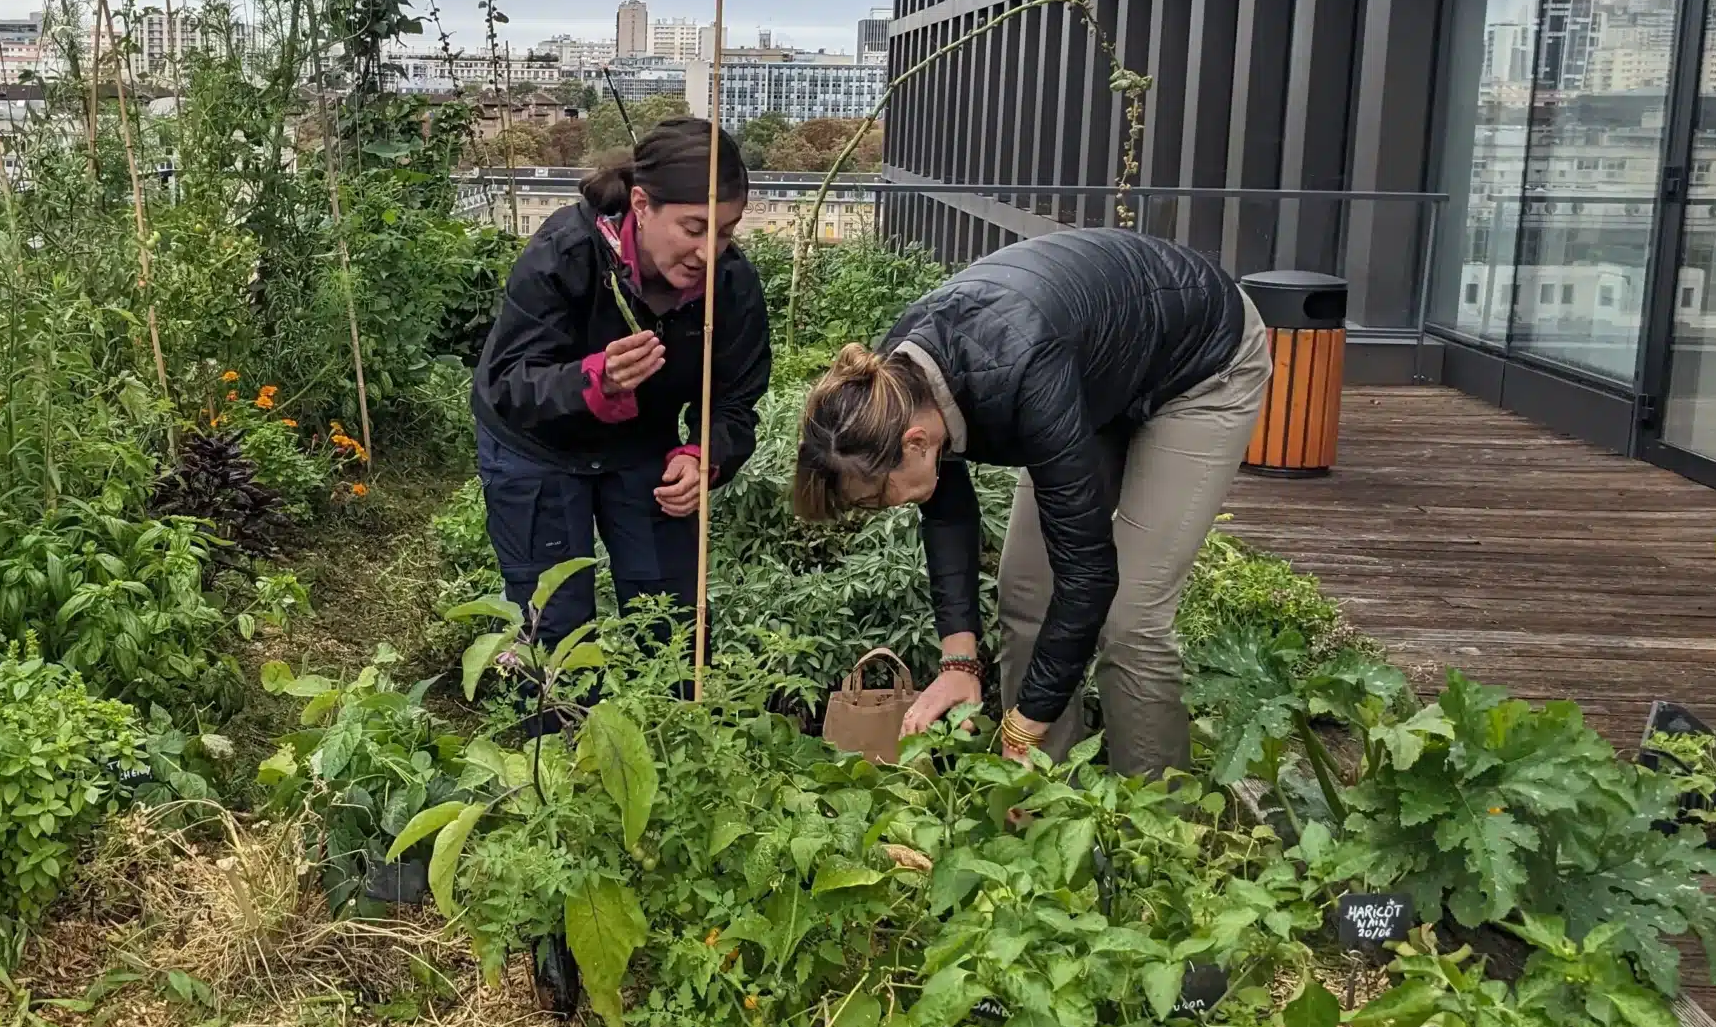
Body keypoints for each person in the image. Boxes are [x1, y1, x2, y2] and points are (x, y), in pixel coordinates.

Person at [790, 228, 1270, 775]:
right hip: (1095, 367)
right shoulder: (892, 388)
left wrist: (1023, 722)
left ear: (915, 444)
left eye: (878, 496)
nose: (887, 506)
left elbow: (1088, 573)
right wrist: (958, 661)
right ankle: (1045, 805)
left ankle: (1154, 828)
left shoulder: (1021, 373)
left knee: (1131, 622)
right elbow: (944, 507)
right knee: (1024, 595)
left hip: (1200, 362)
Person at [472, 116, 772, 648]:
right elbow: (508, 383)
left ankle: (670, 726)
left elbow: (736, 397)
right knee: (553, 625)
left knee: (673, 620)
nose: (710, 252)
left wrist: (703, 453)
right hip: (537, 448)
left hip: (641, 444)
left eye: (725, 232)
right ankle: (557, 728)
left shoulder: (731, 285)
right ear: (640, 205)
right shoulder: (565, 254)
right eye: (694, 228)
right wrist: (595, 380)